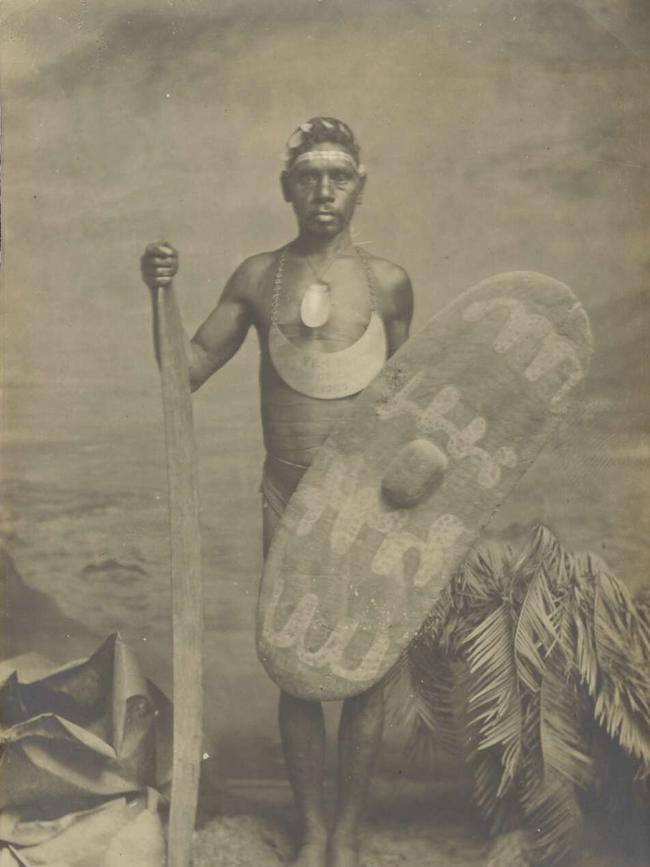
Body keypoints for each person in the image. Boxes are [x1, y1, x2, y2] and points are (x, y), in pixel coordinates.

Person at [141, 117, 413, 867]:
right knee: (297, 664)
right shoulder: (260, 277)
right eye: (309, 176)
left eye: (339, 176)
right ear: (287, 188)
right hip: (286, 497)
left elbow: (415, 403)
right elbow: (184, 372)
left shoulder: (389, 283)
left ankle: (350, 833)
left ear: (359, 187)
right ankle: (312, 830)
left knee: (368, 666)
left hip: (370, 506)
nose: (324, 190)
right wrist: (156, 293)